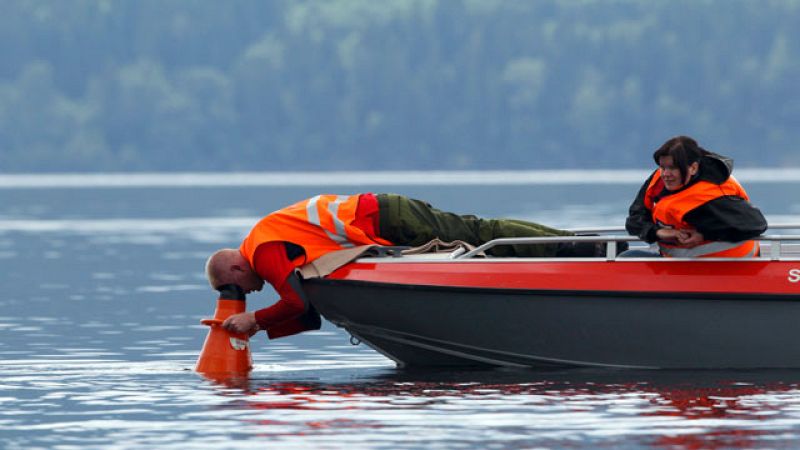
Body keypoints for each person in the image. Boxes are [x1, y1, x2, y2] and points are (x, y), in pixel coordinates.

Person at [206, 193, 617, 339]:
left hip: (385, 216)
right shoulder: (264, 238)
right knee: (477, 233)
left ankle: (577, 245)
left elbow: (295, 303)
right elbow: (310, 316)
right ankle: (573, 245)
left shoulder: (262, 250)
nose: (244, 296)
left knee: (477, 233)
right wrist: (254, 327)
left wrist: (255, 322)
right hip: (381, 215)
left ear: (237, 271)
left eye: (236, 291)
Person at [624, 136, 767, 257]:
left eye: (673, 168)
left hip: (732, 266)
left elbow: (756, 224)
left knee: (626, 259)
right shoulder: (659, 180)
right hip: (681, 266)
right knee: (623, 255)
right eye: (663, 167)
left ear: (693, 168)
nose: (666, 174)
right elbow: (634, 220)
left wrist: (704, 235)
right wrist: (658, 232)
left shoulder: (712, 193)